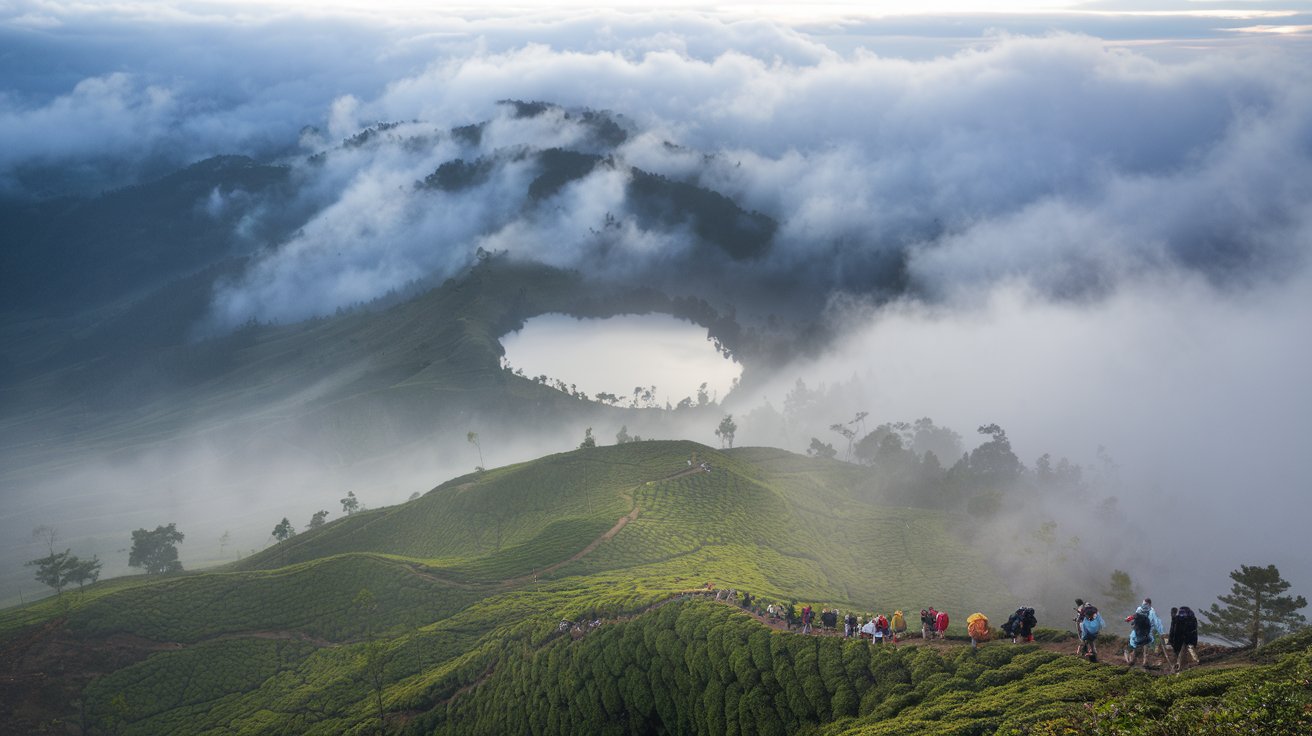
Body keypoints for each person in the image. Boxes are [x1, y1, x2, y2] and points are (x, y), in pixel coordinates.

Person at [1169, 605, 1200, 672]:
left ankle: (1180, 666)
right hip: (1182, 639)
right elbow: (1174, 630)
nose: (1182, 614)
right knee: (1183, 652)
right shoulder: (1189, 618)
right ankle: (1180, 665)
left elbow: (1175, 631)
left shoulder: (1183, 619)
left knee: (1185, 651)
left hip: (1185, 639)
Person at [1125, 602, 1156, 668]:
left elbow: (1128, 619)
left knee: (1134, 647)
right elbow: (1151, 626)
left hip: (1138, 635)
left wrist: (1127, 620)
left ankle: (1132, 660)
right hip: (1146, 636)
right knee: (1145, 649)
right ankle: (1145, 662)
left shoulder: (1137, 615)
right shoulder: (1148, 617)